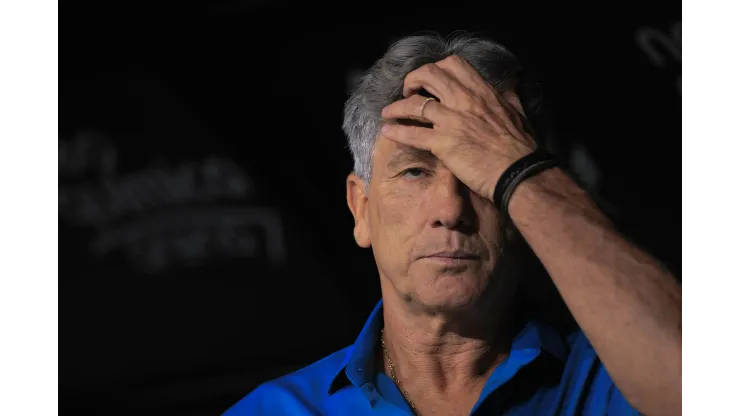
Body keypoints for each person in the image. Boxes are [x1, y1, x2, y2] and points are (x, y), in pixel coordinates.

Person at [224, 33, 681, 416]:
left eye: (481, 176)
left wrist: (520, 168)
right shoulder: (275, 411)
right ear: (360, 209)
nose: (450, 209)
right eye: (416, 171)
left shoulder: (610, 384)